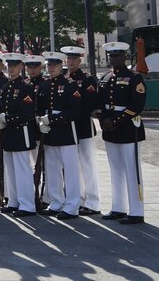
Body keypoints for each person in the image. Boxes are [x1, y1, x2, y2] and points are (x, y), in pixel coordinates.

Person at [99, 41, 147, 225]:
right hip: (110, 129)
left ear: (125, 56)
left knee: (132, 170)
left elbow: (137, 106)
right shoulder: (105, 77)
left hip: (128, 129)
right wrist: (103, 119)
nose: (113, 59)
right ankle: (118, 207)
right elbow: (100, 102)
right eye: (111, 56)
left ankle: (136, 211)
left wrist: (115, 120)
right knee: (115, 171)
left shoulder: (135, 78)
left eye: (117, 55)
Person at [37, 52, 82, 220]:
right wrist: (40, 121)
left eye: (54, 65)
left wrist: (53, 119)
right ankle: (56, 202)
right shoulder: (44, 86)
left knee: (70, 171)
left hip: (66, 132)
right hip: (49, 132)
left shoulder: (70, 85)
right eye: (49, 65)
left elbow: (75, 110)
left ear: (60, 65)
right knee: (52, 170)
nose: (51, 68)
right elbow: (38, 108)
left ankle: (72, 206)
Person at [63, 45, 102, 216]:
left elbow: (90, 104)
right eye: (68, 59)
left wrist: (72, 115)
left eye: (73, 59)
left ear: (80, 61)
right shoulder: (64, 78)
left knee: (88, 165)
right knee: (73, 167)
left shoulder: (87, 79)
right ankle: (78, 199)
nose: (70, 62)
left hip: (83, 127)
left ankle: (92, 202)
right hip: (67, 129)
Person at [0, 54, 39, 217]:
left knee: (23, 170)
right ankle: (14, 201)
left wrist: (6, 118)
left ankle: (27, 204)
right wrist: (0, 119)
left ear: (21, 67)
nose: (11, 69)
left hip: (21, 132)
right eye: (9, 66)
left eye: (15, 66)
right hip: (9, 132)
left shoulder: (26, 87)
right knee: (11, 170)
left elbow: (27, 113)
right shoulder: (5, 87)